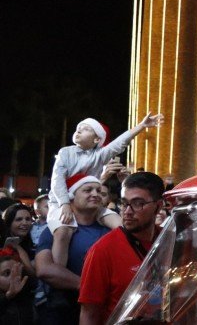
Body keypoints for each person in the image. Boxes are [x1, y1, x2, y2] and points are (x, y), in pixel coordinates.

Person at [47, 113, 164, 269]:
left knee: (122, 225)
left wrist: (141, 126)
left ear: (97, 139)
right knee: (62, 232)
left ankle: (140, 265)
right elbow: (57, 180)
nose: (79, 130)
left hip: (91, 204)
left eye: (86, 129)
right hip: (61, 202)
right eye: (78, 128)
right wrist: (64, 204)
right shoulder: (65, 152)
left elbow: (119, 143)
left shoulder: (100, 155)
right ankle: (58, 275)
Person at [78, 171, 165, 324]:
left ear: (158, 207)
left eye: (138, 204)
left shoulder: (168, 240)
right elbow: (89, 314)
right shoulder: (102, 251)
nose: (127, 212)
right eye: (124, 203)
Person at [35, 175, 110, 325]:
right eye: (88, 190)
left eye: (99, 191)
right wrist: (90, 287)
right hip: (63, 310)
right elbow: (44, 269)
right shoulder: (54, 229)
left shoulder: (109, 230)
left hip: (102, 310)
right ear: (71, 197)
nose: (95, 194)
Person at [0, 247, 36, 324]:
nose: (14, 276)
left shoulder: (27, 289)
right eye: (7, 273)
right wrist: (7, 298)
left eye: (17, 271)